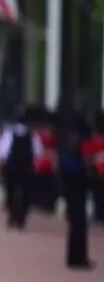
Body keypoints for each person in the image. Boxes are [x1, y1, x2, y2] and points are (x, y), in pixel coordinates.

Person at [56, 106, 93, 270]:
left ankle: (75, 257)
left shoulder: (66, 142)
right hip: (75, 185)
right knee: (78, 223)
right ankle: (78, 257)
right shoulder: (72, 145)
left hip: (72, 185)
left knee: (76, 223)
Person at [0, 107, 39, 229]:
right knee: (26, 193)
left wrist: (1, 161)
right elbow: (37, 152)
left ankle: (12, 216)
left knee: (10, 191)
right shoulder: (32, 135)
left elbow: (4, 150)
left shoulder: (10, 133)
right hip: (26, 167)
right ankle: (22, 218)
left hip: (12, 167)